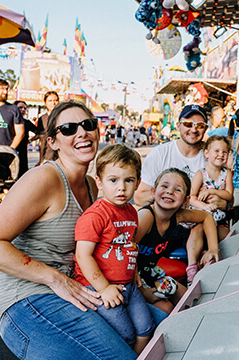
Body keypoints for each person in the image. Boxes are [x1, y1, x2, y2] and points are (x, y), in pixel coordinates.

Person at [0, 101, 138, 360]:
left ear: (97, 131)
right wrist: (56, 279)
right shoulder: (44, 179)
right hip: (27, 301)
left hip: (76, 291)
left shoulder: (94, 186)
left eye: (88, 125)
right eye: (69, 129)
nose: (81, 133)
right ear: (53, 142)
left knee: (159, 326)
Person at [74, 144, 154, 354]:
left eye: (128, 180)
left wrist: (134, 270)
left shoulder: (131, 212)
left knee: (146, 327)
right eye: (113, 180)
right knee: (124, 333)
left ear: (137, 183)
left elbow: (130, 244)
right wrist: (103, 288)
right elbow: (83, 255)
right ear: (99, 182)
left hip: (128, 284)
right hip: (99, 287)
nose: (121, 187)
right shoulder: (96, 215)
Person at [136, 168, 220, 291]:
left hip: (150, 270)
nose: (170, 191)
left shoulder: (178, 216)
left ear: (186, 200)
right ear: (153, 191)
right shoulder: (146, 217)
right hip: (131, 274)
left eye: (178, 189)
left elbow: (207, 216)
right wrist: (143, 291)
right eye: (165, 186)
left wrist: (213, 249)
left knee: (187, 296)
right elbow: (126, 252)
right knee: (167, 308)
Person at [134, 104, 226, 211]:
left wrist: (223, 204)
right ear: (178, 126)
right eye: (188, 124)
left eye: (200, 125)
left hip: (202, 222)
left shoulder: (213, 157)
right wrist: (179, 197)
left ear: (205, 128)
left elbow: (228, 198)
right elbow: (140, 197)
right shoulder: (159, 154)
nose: (194, 129)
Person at [190, 135, 233, 241]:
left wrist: (212, 191)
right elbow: (191, 197)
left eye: (225, 152)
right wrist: (204, 206)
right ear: (206, 153)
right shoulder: (201, 173)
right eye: (216, 151)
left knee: (227, 237)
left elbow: (229, 195)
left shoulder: (226, 173)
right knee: (197, 234)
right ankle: (195, 257)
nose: (221, 155)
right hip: (202, 215)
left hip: (220, 218)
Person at [34, 91, 60, 164]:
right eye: (50, 101)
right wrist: (41, 159)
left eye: (55, 100)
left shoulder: (63, 117)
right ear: (45, 102)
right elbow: (41, 140)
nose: (53, 103)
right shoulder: (42, 119)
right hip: (47, 156)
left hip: (61, 155)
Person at [14, 100, 37, 175]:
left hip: (22, 154)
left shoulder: (26, 122)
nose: (23, 110)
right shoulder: (8, 121)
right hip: (10, 152)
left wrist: (30, 140)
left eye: (25, 108)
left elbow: (40, 133)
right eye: (20, 107)